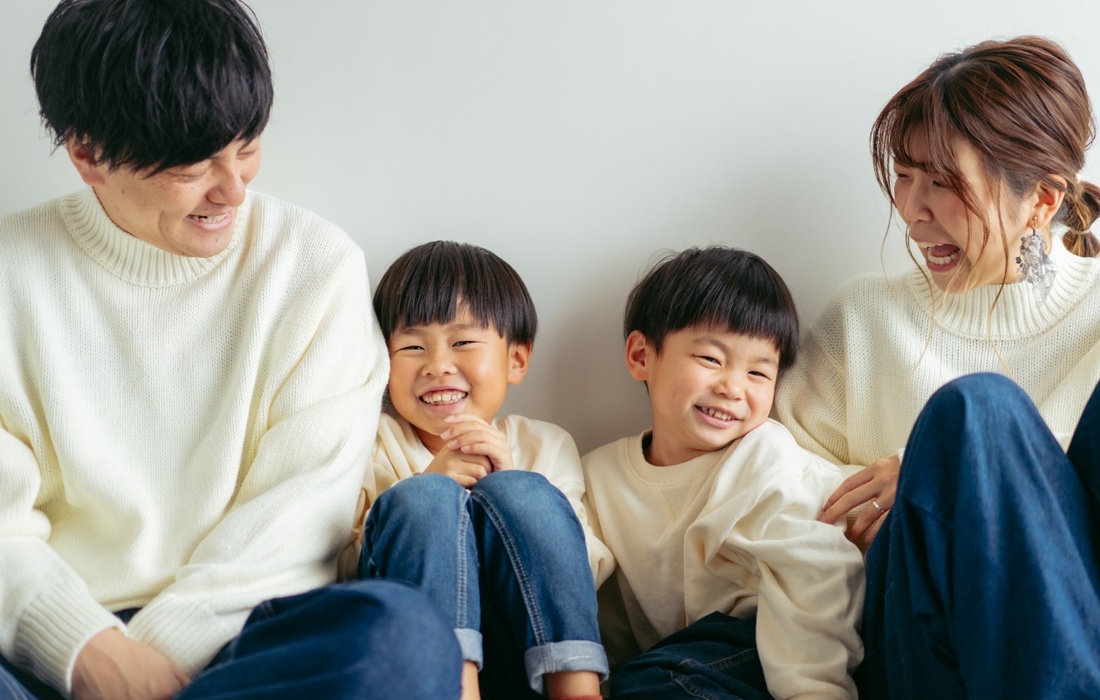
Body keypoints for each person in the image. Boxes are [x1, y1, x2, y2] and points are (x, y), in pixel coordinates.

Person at [0, 1, 462, 699]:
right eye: (194, 164)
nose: (234, 189)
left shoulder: (315, 266)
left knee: (402, 636)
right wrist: (88, 654)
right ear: (87, 153)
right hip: (47, 653)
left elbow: (303, 511)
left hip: (248, 642)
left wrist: (152, 670)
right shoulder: (11, 272)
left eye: (246, 146)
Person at [774, 36, 1100, 698]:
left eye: (944, 183)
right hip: (921, 644)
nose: (911, 209)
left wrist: (942, 466)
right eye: (905, 175)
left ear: (1042, 201)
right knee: (976, 411)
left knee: (977, 423)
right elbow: (776, 488)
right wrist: (938, 477)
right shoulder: (862, 318)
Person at [582, 246, 865, 700]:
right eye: (711, 360)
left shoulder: (765, 459)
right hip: (676, 665)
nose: (732, 387)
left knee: (655, 680)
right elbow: (583, 595)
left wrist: (812, 691)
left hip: (776, 645)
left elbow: (814, 578)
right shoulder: (598, 477)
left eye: (758, 373)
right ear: (640, 356)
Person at [346, 241, 610, 700]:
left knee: (523, 492)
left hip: (524, 658)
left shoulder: (544, 444)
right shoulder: (370, 443)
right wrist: (432, 482)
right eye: (412, 346)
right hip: (411, 658)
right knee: (425, 498)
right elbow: (345, 567)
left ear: (516, 360)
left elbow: (582, 571)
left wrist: (503, 486)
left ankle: (577, 691)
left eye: (463, 342)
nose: (437, 365)